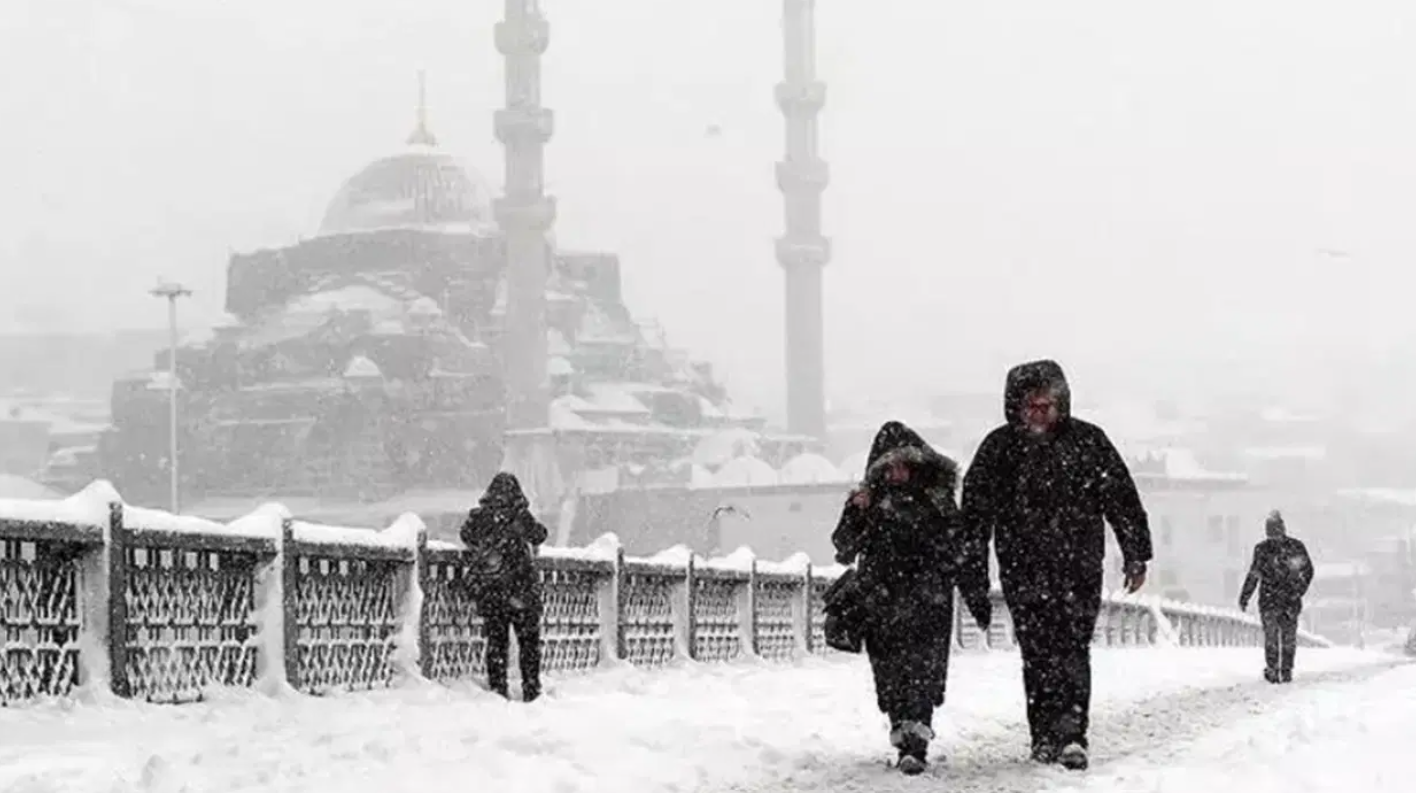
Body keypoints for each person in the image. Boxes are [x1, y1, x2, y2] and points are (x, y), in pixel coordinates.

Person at [958, 359, 1152, 771]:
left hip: (1078, 567)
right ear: (1017, 407)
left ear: (1061, 405)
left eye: (1048, 405)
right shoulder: (999, 450)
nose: (1040, 414)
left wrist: (1136, 553)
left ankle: (1071, 733)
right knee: (1037, 652)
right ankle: (1043, 734)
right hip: (1023, 568)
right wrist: (972, 573)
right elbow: (973, 518)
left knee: (1072, 648)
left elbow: (1121, 498)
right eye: (1032, 406)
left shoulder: (1088, 442)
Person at [831, 421, 993, 776]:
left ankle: (915, 742)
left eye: (903, 464)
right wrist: (856, 511)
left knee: (922, 672)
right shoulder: (870, 503)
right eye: (889, 466)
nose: (897, 473)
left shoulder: (937, 502)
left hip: (927, 602)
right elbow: (843, 548)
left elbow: (960, 552)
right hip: (882, 602)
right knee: (889, 674)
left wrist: (976, 596)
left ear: (918, 464)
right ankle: (902, 730)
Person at [460, 471, 549, 702]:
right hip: (521, 589)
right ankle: (531, 688)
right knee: (528, 643)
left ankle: (498, 689)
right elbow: (540, 535)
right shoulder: (520, 516)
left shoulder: (482, 517)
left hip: (493, 591)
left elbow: (466, 534)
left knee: (497, 643)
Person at [1238, 510, 1314, 684]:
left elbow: (1254, 575)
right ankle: (1285, 669)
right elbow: (1307, 571)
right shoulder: (1295, 547)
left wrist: (1245, 596)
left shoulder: (1262, 550)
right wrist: (1298, 590)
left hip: (1270, 600)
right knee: (1287, 636)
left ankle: (1274, 669)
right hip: (1289, 600)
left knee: (1272, 637)